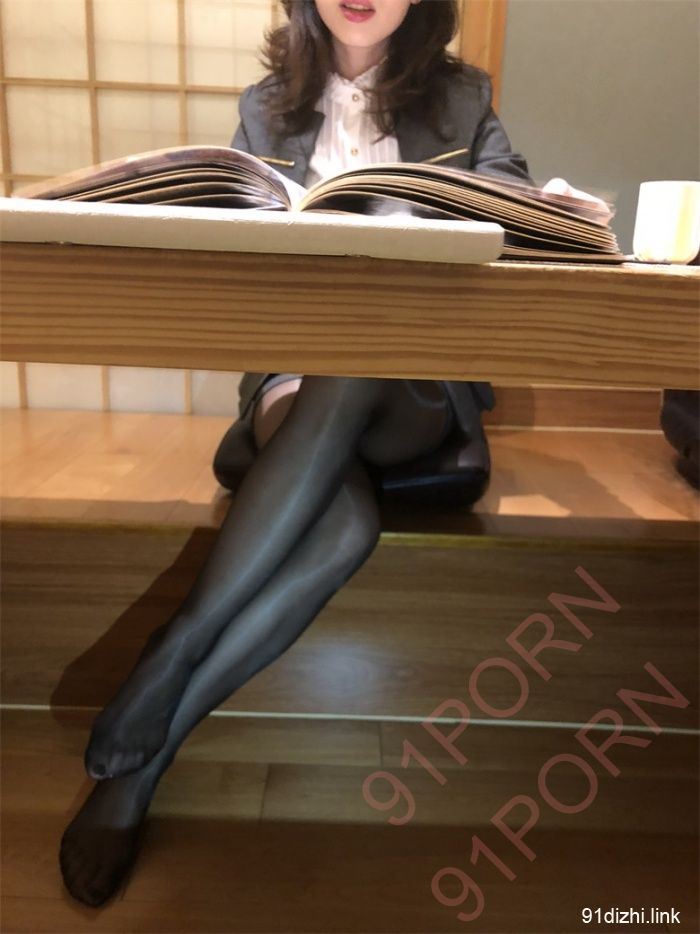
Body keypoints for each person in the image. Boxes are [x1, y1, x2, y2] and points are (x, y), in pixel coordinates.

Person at [59, 0, 608, 907]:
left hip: (414, 388)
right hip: (292, 377)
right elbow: (235, 256)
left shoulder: (464, 98)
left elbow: (509, 214)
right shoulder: (265, 105)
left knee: (364, 341)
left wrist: (541, 212)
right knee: (344, 528)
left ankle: (175, 645)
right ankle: (143, 767)